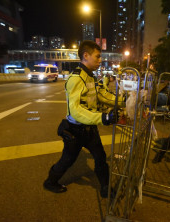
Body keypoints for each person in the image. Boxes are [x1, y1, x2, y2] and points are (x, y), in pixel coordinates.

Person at [43, 40, 120, 197]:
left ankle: (105, 188)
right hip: (75, 130)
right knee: (67, 160)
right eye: (97, 57)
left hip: (90, 129)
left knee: (100, 157)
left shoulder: (91, 77)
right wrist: (103, 117)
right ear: (86, 56)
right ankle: (50, 182)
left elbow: (102, 95)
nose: (100, 60)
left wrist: (126, 100)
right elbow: (76, 111)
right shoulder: (76, 78)